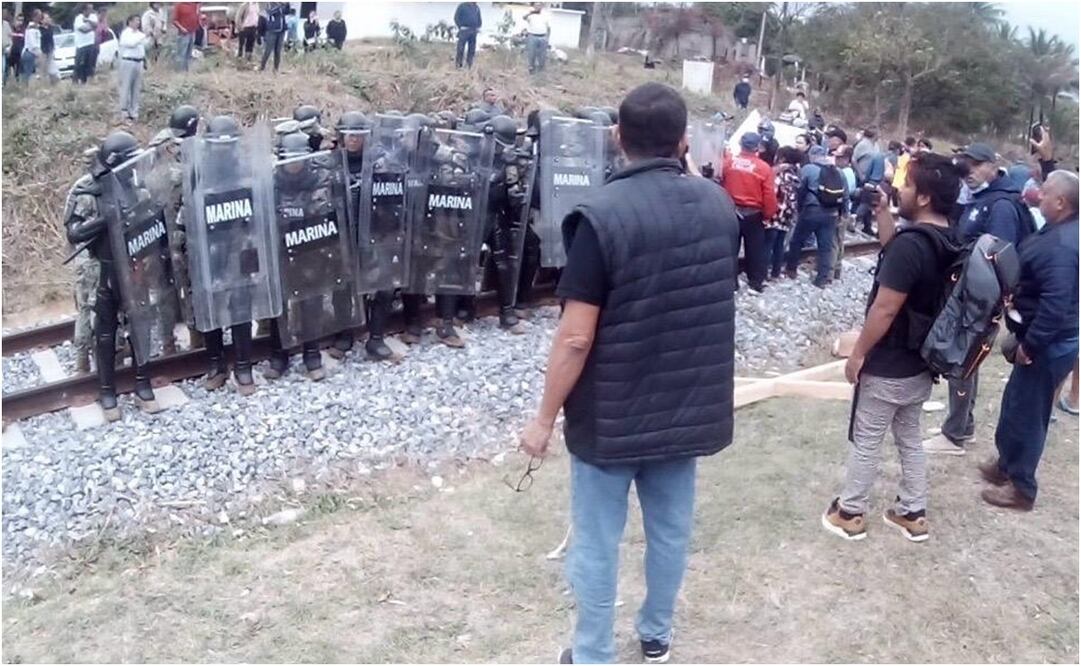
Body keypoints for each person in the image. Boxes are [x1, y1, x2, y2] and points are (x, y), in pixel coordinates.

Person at [518, 81, 738, 665]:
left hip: (610, 416)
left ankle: (593, 653)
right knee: (670, 531)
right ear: (684, 140)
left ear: (617, 136)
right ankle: (656, 634)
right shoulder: (719, 206)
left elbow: (576, 336)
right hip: (685, 405)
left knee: (597, 540)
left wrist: (543, 419)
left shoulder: (601, 216)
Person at [824, 152, 961, 542]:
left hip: (889, 363)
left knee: (868, 438)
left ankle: (850, 512)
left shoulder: (912, 246)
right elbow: (896, 256)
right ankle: (912, 512)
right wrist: (884, 212)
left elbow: (885, 308)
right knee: (910, 436)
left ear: (924, 197)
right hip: (922, 362)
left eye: (908, 184)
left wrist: (858, 354)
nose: (900, 188)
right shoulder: (949, 238)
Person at [922, 142, 1034, 457]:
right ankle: (963, 425)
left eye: (975, 164)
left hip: (978, 300)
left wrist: (981, 303)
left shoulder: (1000, 205)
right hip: (971, 295)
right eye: (965, 164)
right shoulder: (983, 198)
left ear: (992, 165)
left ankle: (954, 434)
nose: (968, 171)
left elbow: (997, 258)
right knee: (968, 358)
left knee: (962, 357)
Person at [980, 171, 1079, 511]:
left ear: (1061, 202)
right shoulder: (1057, 230)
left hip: (1048, 344)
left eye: (1045, 191)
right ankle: (1006, 465)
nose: (1037, 194)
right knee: (1016, 403)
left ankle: (1022, 488)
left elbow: (1055, 305)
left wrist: (1031, 345)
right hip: (1039, 337)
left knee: (1030, 414)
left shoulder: (1063, 246)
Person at [64, 132, 166, 420]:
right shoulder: (89, 190)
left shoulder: (136, 185)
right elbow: (74, 232)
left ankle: (143, 384)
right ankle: (107, 392)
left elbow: (154, 220)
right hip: (104, 266)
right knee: (105, 332)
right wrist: (106, 218)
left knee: (140, 326)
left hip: (135, 265)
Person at [784, 145, 849, 288]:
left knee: (797, 241)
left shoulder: (808, 169)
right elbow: (845, 195)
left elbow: (800, 190)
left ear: (812, 156)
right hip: (831, 213)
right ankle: (822, 279)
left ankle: (791, 269)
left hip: (811, 211)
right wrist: (843, 213)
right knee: (825, 247)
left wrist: (799, 209)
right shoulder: (838, 172)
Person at [721, 131, 778, 293]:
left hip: (731, 210)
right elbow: (769, 195)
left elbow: (720, 182)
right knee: (755, 249)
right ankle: (755, 281)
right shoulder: (764, 168)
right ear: (758, 147)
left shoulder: (728, 163)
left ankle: (731, 282)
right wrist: (768, 214)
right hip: (753, 214)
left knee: (731, 248)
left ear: (740, 144)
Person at [766, 146, 801, 280]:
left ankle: (763, 272)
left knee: (768, 243)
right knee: (780, 244)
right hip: (788, 213)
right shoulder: (796, 173)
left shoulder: (779, 172)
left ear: (782, 158)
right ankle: (776, 271)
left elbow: (772, 191)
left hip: (776, 211)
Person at [115, 15, 149, 122]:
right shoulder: (126, 33)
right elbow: (131, 43)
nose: (138, 22)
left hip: (139, 61)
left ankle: (134, 111)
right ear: (130, 22)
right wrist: (143, 36)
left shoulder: (139, 34)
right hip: (128, 61)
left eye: (138, 20)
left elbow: (145, 45)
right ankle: (124, 110)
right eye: (136, 20)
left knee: (136, 88)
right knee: (126, 86)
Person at [833, 145, 858, 281]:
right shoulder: (848, 171)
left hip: (841, 211)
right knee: (838, 240)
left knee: (836, 241)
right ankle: (835, 269)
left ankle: (834, 269)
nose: (836, 160)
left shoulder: (845, 173)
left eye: (839, 157)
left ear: (847, 159)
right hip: (844, 210)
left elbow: (844, 195)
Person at [72, 5, 96, 84]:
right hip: (81, 45)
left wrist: (88, 21)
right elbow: (83, 30)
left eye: (91, 9)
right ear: (84, 10)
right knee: (79, 64)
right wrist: (93, 28)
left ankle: (86, 81)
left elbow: (96, 25)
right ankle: (76, 81)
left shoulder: (93, 16)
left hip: (91, 43)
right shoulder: (78, 18)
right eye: (89, 9)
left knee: (89, 64)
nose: (91, 11)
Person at [524, 3, 550, 75]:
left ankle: (540, 70)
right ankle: (531, 68)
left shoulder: (545, 15)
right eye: (536, 5)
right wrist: (531, 12)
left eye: (539, 5)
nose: (538, 7)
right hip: (533, 36)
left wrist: (547, 38)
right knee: (532, 53)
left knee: (542, 54)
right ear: (534, 6)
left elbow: (548, 27)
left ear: (541, 6)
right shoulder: (530, 15)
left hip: (543, 37)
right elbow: (524, 17)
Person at [173, 2, 200, 72]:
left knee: (189, 53)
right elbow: (175, 20)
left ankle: (187, 71)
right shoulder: (179, 5)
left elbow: (196, 17)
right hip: (183, 34)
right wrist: (182, 28)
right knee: (182, 53)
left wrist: (196, 28)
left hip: (192, 33)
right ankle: (180, 72)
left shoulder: (193, 5)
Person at [261, 2, 287, 71]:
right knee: (268, 50)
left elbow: (287, 12)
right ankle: (262, 67)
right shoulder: (270, 3)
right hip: (272, 31)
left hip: (281, 31)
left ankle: (276, 69)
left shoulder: (282, 5)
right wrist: (280, 6)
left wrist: (287, 5)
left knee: (278, 51)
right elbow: (270, 12)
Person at [453, 2, 481, 69]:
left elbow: (479, 19)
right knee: (460, 48)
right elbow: (456, 17)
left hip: (473, 31)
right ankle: (458, 65)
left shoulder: (476, 7)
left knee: (472, 49)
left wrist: (478, 26)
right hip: (464, 30)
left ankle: (469, 65)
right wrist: (460, 26)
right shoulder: (462, 6)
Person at [18, 10, 40, 84]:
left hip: (31, 53)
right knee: (28, 74)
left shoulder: (36, 27)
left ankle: (25, 86)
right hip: (29, 53)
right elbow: (33, 44)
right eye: (38, 16)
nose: (40, 18)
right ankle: (25, 88)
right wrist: (39, 53)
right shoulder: (31, 28)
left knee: (29, 74)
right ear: (34, 17)